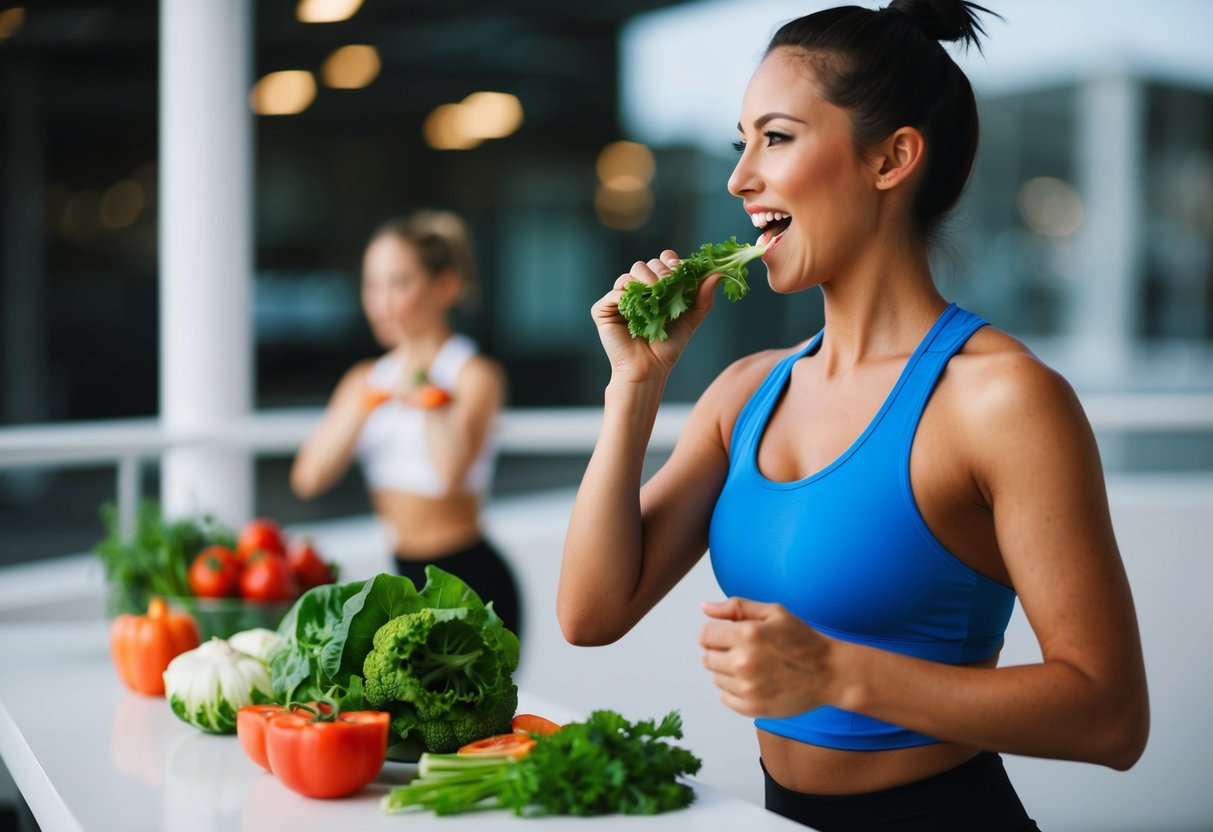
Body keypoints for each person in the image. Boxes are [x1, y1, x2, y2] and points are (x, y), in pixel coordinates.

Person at [557, 2, 1149, 829]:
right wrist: (635, 386)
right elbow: (590, 613)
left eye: (776, 137)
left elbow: (1111, 717)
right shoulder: (744, 391)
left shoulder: (1002, 399)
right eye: (741, 142)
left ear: (891, 158)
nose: (738, 179)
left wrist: (838, 675)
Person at [291, 210, 520, 636]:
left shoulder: (474, 375)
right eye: (372, 285)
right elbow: (308, 478)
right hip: (403, 581)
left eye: (399, 283)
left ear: (444, 286)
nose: (382, 301)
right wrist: (366, 402)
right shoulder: (364, 379)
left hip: (470, 580)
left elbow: (450, 472)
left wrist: (427, 396)